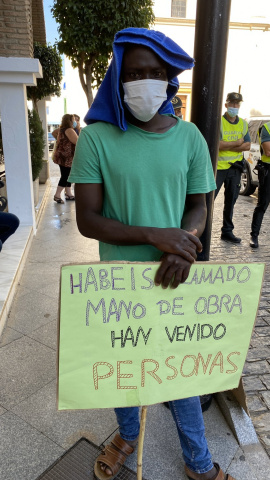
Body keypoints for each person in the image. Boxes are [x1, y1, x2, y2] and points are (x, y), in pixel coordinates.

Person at [69, 28, 235, 480]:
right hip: (119, 283)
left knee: (179, 376)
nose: (145, 81)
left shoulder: (191, 139)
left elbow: (199, 204)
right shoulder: (96, 138)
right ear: (119, 79)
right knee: (124, 369)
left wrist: (185, 244)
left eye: (155, 72)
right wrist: (157, 235)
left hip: (174, 279)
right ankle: (127, 435)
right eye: (135, 72)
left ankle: (199, 464)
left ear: (169, 79)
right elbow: (88, 219)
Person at [215, 92, 251, 243]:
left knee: (231, 201)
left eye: (237, 104)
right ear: (226, 105)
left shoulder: (243, 123)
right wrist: (237, 144)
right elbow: (217, 144)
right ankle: (202, 231)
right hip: (218, 168)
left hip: (235, 169)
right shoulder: (219, 122)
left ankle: (227, 231)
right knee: (209, 201)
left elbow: (248, 145)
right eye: (232, 103)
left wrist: (227, 146)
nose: (234, 106)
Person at [250, 121, 270, 248]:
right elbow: (268, 151)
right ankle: (254, 236)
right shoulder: (267, 127)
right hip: (268, 170)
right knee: (262, 204)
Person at [52, 114, 78, 203]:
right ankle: (57, 194)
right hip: (68, 157)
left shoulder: (62, 130)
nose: (75, 122)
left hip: (62, 156)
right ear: (69, 121)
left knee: (66, 174)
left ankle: (68, 193)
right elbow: (77, 141)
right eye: (73, 120)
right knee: (66, 175)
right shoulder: (70, 130)